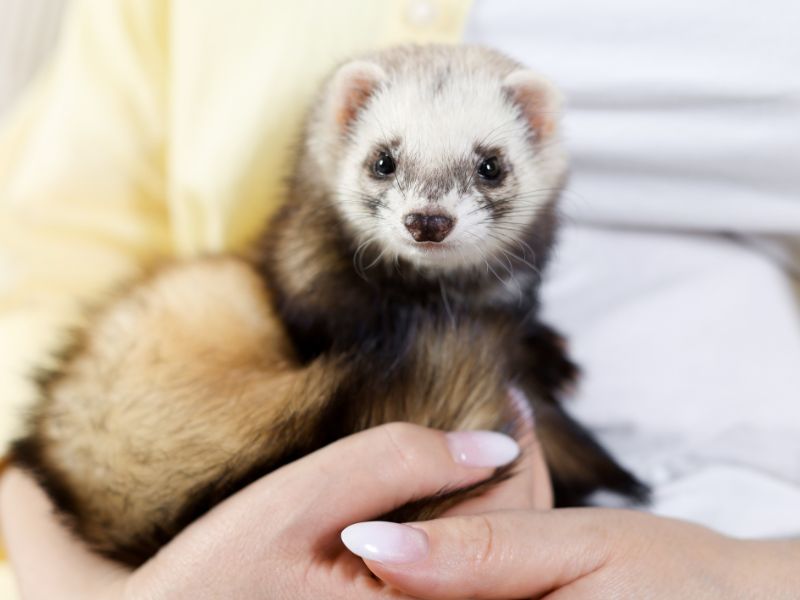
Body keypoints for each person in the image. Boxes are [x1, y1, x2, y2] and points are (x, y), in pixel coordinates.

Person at [1, 1, 798, 598]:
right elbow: (44, 252)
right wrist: (67, 578)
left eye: (486, 171)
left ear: (540, 137)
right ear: (342, 134)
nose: (428, 207)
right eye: (386, 167)